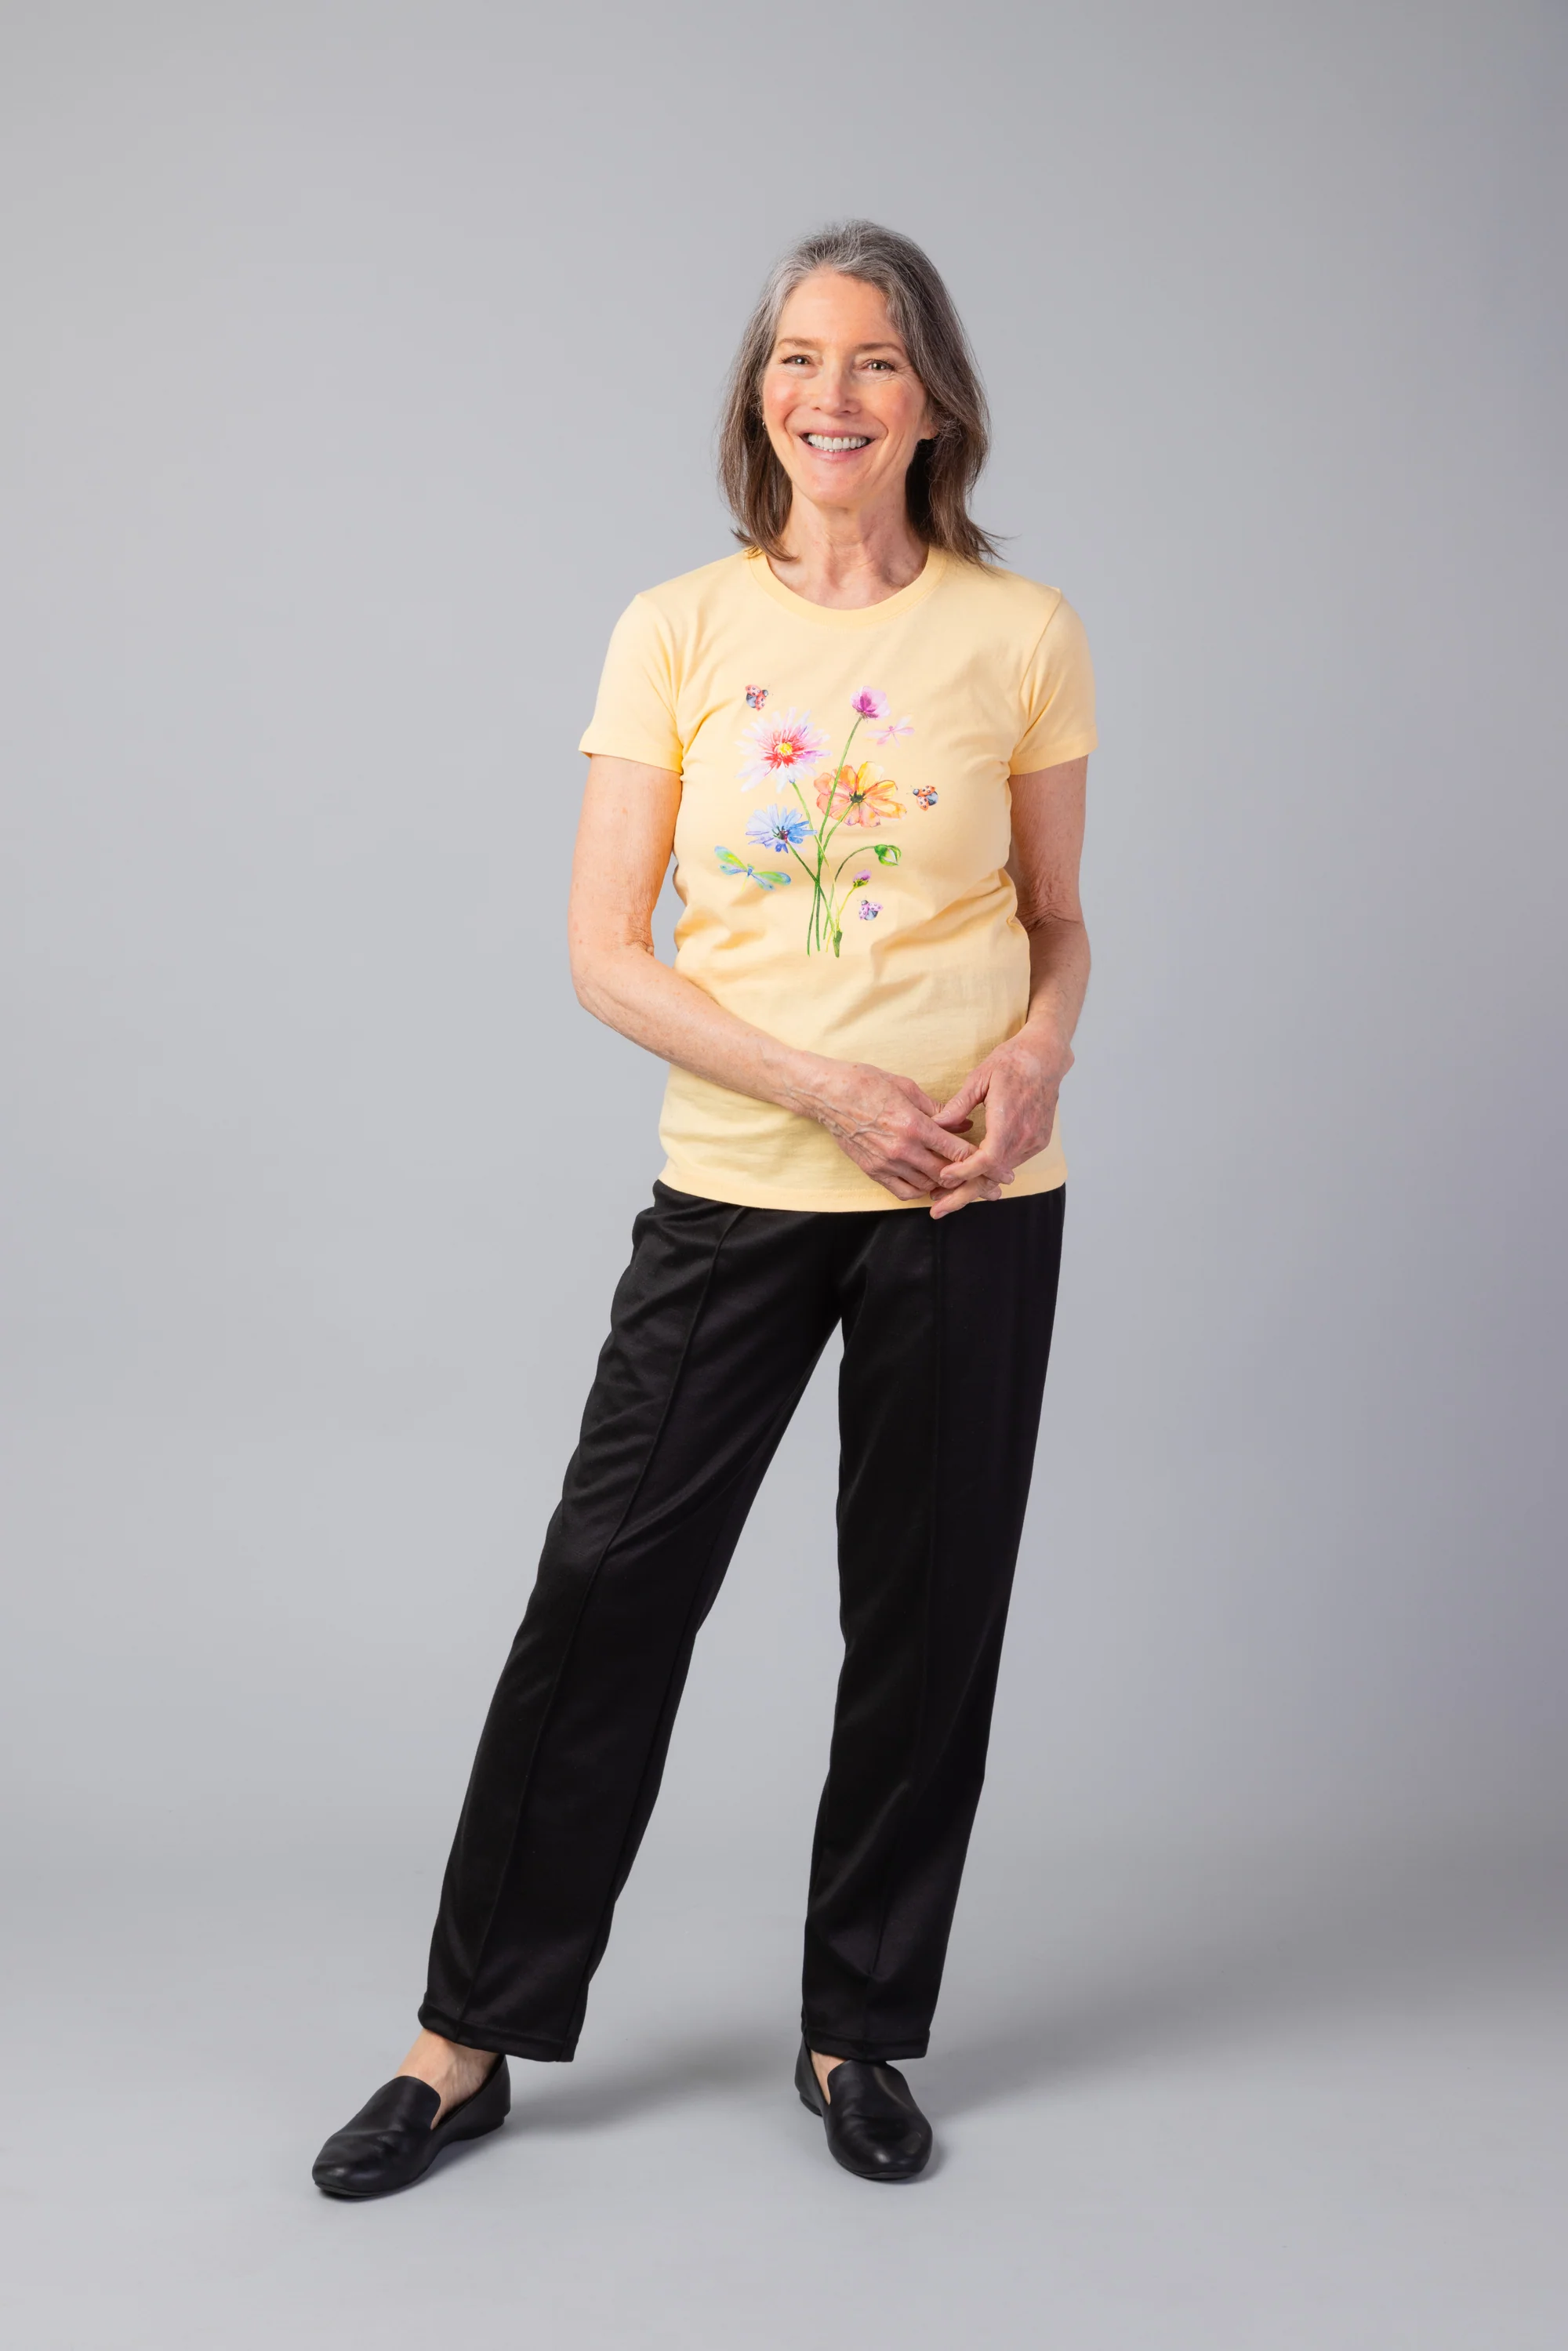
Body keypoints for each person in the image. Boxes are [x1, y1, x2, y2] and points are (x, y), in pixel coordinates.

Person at [312, 216, 1096, 2197]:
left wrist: (1041, 1050)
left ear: (934, 404)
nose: (832, 395)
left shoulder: (1020, 632)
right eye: (798, 359)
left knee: (927, 1613)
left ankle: (859, 2028)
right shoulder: (675, 626)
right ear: (761, 396)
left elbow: (1060, 921)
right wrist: (826, 1086)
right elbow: (605, 950)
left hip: (971, 1191)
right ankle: (463, 2037)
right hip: (744, 1176)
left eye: (874, 360)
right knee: (607, 1587)